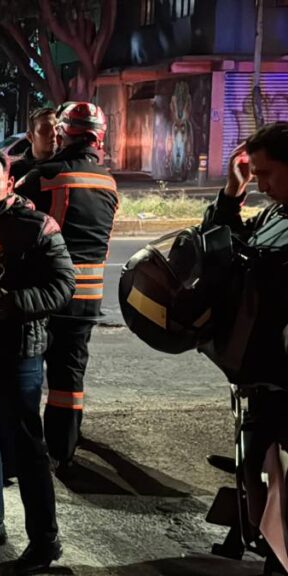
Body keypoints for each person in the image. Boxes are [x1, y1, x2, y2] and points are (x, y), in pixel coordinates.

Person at [0, 147, 74, 573]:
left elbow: (63, 283)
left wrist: (15, 303)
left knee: (27, 449)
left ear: (9, 181)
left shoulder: (36, 226)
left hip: (19, 354)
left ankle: (45, 540)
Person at [17, 102, 118, 472]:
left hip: (48, 294)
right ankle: (64, 449)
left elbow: (17, 231)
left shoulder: (45, 177)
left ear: (63, 132)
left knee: (28, 370)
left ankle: (32, 446)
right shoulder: (108, 181)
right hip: (89, 297)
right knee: (69, 376)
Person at [201, 124, 288, 556]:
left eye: (268, 173)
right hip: (259, 376)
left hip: (285, 382)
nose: (264, 184)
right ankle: (259, 542)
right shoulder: (275, 217)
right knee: (256, 472)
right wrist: (234, 191)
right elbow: (219, 245)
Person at [11, 108, 58, 184]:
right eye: (45, 129)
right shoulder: (15, 170)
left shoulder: (66, 166)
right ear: (30, 137)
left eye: (57, 128)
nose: (54, 133)